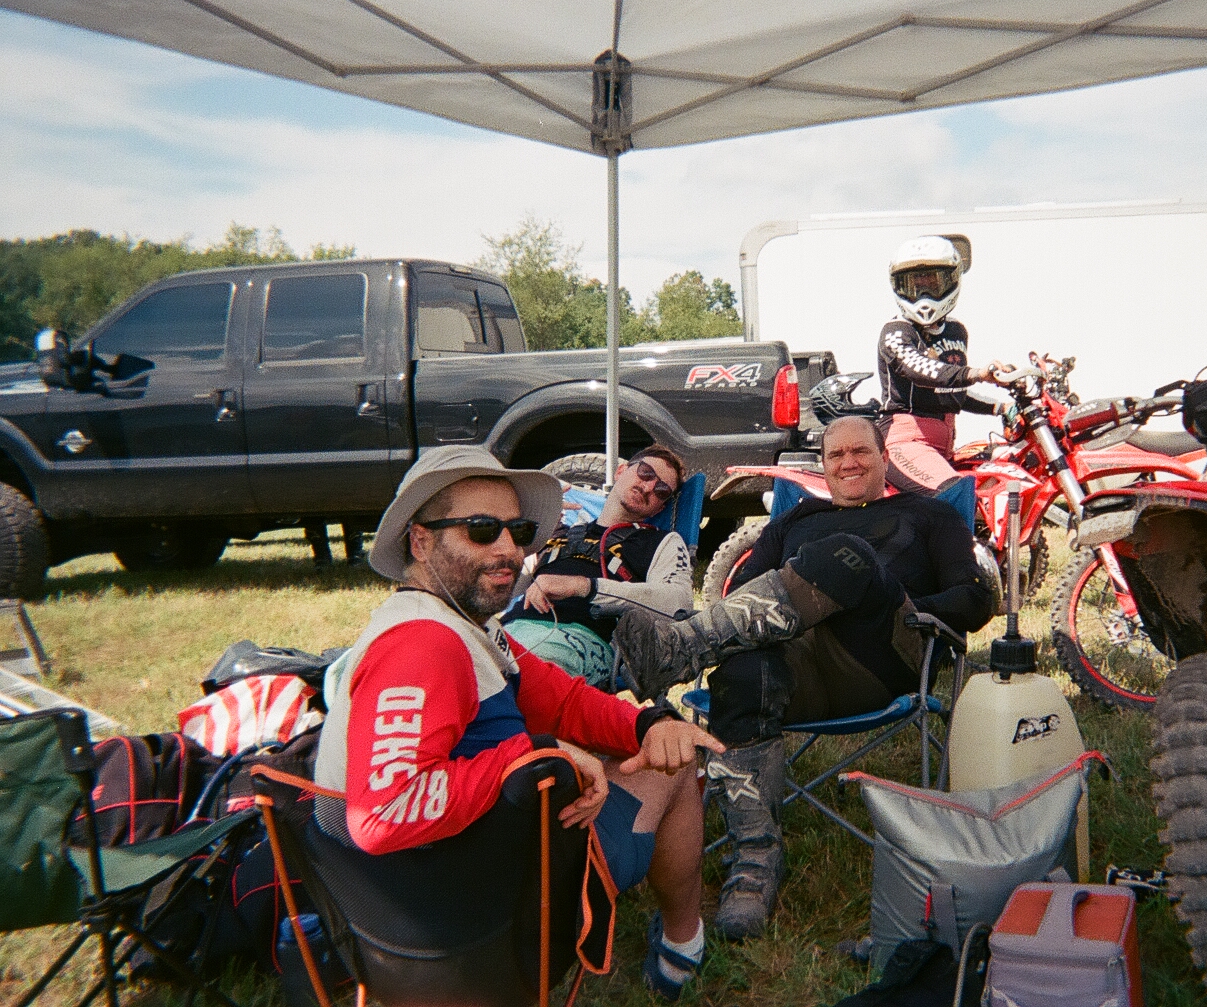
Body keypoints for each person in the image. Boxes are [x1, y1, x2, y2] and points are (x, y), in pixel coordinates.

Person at [314, 445, 725, 999]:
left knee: (656, 744)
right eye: (482, 530)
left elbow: (561, 700)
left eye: (519, 530)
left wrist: (647, 724)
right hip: (483, 910)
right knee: (671, 769)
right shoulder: (424, 645)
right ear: (421, 540)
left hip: (437, 889)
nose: (509, 549)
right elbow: (385, 813)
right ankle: (683, 946)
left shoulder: (466, 627)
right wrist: (535, 755)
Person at [612, 416, 993, 939]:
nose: (848, 463)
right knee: (742, 671)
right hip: (795, 668)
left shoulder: (929, 513)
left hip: (880, 655)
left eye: (860, 452)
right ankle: (753, 866)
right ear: (824, 466)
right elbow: (742, 591)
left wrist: (898, 604)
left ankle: (677, 651)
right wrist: (805, 603)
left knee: (848, 558)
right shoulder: (797, 519)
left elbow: (974, 598)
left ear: (885, 459)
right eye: (836, 455)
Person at [499, 445, 692, 688]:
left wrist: (586, 587)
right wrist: (530, 532)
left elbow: (679, 604)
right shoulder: (561, 532)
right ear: (621, 471)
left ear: (660, 508)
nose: (648, 487)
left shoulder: (660, 542)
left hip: (579, 639)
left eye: (662, 490)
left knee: (517, 678)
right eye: (645, 472)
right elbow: (503, 589)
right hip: (511, 629)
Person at [877, 234, 1014, 494]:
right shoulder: (895, 331)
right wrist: (978, 373)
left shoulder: (955, 330)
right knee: (955, 494)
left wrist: (1001, 407)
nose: (924, 293)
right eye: (915, 285)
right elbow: (918, 368)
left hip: (943, 444)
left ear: (951, 281)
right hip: (905, 441)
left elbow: (950, 390)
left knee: (997, 483)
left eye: (932, 283)